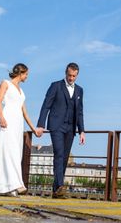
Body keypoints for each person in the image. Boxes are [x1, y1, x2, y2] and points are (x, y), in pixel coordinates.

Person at [0, 63, 39, 196]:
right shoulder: (5, 83)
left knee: (16, 153)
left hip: (18, 124)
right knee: (8, 151)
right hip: (7, 120)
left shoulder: (21, 91)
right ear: (21, 73)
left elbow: (25, 113)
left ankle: (9, 187)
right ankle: (17, 184)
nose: (27, 77)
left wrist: (34, 129)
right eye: (26, 74)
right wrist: (1, 117)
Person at [35, 63, 85, 198]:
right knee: (59, 154)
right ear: (65, 73)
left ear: (77, 75)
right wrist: (40, 124)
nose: (71, 78)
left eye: (74, 76)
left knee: (65, 158)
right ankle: (60, 186)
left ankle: (56, 190)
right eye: (69, 75)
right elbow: (46, 106)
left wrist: (82, 131)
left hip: (71, 128)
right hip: (56, 126)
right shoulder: (55, 86)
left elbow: (80, 112)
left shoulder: (79, 90)